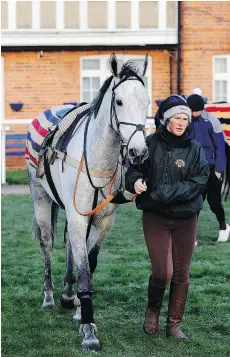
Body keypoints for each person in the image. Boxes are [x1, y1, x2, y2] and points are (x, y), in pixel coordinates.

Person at [125, 95, 209, 341]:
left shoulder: (195, 149)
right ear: (166, 120)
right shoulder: (150, 144)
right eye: (176, 118)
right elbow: (134, 169)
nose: (182, 123)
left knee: (182, 273)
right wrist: (136, 181)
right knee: (163, 273)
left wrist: (161, 193)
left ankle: (174, 325)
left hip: (186, 218)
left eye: (185, 118)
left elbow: (198, 181)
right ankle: (153, 310)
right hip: (156, 217)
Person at [187, 94, 229, 242]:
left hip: (211, 169)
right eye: (191, 111)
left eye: (196, 111)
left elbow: (220, 147)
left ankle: (223, 226)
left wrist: (218, 169)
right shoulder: (186, 120)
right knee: (194, 204)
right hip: (192, 170)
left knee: (215, 203)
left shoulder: (212, 121)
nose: (193, 114)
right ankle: (192, 236)